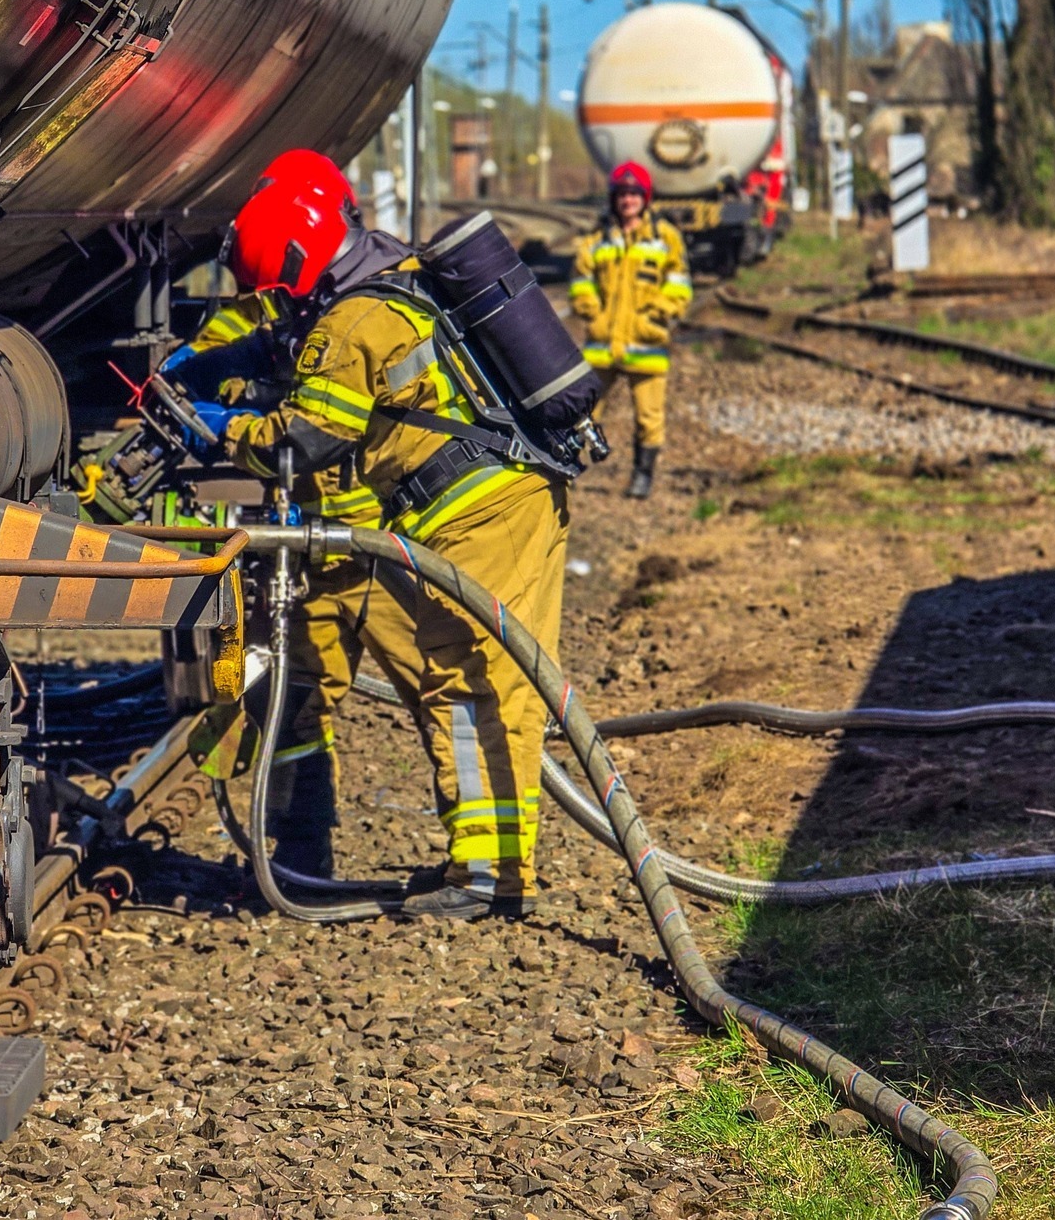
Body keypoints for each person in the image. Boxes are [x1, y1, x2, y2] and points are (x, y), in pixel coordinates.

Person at [185, 170, 570, 920]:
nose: (286, 306)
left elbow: (301, 442)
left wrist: (223, 429)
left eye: (283, 290)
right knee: (470, 680)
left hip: (483, 513)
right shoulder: (393, 279)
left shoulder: (351, 325)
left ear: (297, 264)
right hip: (482, 507)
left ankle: (489, 877)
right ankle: (479, 871)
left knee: (475, 683)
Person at [570, 161, 693, 499]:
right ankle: (570, 467)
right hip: (602, 344)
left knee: (648, 418)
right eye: (622, 195)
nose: (628, 201)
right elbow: (582, 281)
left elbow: (679, 283)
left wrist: (658, 315)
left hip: (647, 343)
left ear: (645, 198)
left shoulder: (665, 238)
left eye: (634, 194)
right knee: (584, 411)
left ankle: (642, 476)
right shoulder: (597, 240)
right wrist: (592, 313)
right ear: (614, 199)